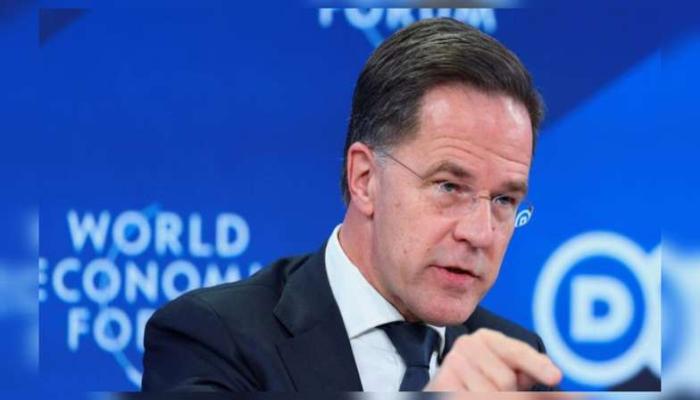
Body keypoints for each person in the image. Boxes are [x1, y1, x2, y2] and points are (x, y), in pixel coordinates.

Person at [142, 18, 563, 392]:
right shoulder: (215, 338)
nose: (480, 233)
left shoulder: (515, 362)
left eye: (504, 200)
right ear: (365, 178)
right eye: (449, 187)